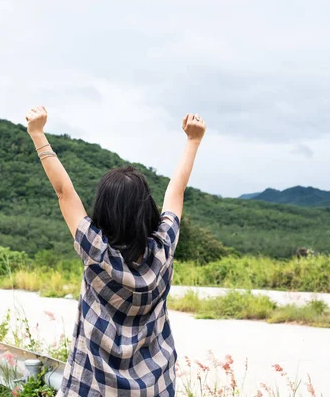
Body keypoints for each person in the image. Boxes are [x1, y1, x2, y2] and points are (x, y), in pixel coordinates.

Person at [25, 106, 206, 396]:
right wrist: (193, 141)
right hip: (154, 387)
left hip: (93, 388)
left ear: (104, 211)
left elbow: (64, 191)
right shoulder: (162, 249)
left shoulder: (96, 251)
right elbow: (176, 192)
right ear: (147, 209)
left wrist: (37, 134)